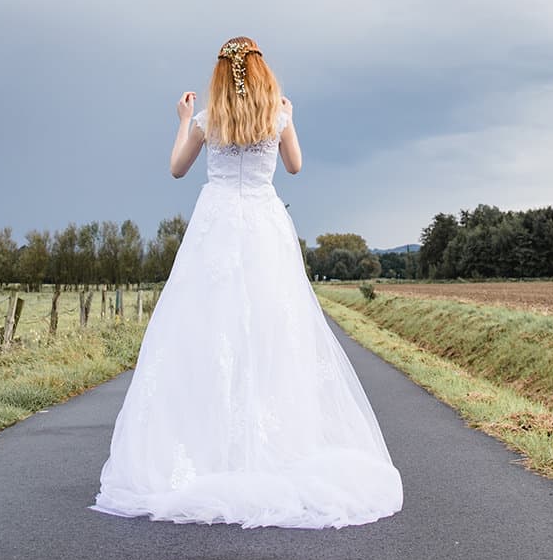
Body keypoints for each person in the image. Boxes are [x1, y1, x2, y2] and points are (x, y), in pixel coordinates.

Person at [91, 37, 403, 529]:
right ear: (260, 70)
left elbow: (176, 169)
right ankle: (274, 441)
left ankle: (211, 446)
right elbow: (296, 166)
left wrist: (181, 122)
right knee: (273, 330)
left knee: (208, 329)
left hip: (215, 225)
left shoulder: (207, 118)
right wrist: (291, 119)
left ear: (220, 74)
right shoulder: (275, 115)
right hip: (263, 225)